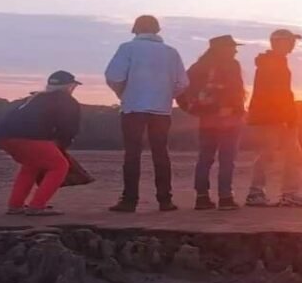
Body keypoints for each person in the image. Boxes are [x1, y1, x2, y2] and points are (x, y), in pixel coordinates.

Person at [104, 15, 189, 212]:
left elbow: (114, 75)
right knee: (161, 154)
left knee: (132, 154)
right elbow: (183, 83)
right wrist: (167, 94)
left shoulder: (127, 48)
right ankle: (165, 200)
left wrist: (122, 92)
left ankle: (129, 200)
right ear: (158, 30)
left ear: (135, 29)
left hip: (133, 108)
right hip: (161, 110)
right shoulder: (171, 53)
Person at [245, 29, 302, 207]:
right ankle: (285, 194)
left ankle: (258, 193)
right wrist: (286, 117)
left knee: (270, 154)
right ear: (278, 43)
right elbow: (277, 94)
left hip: (271, 117)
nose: (293, 45)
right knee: (286, 155)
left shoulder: (273, 62)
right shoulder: (272, 63)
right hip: (274, 117)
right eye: (290, 41)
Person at [0, 70, 82, 217]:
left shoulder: (34, 98)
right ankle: (37, 206)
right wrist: (62, 147)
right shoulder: (67, 101)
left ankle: (15, 205)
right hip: (31, 138)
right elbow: (69, 129)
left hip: (4, 137)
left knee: (31, 166)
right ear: (69, 86)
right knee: (60, 166)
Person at [182, 35, 246, 211]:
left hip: (207, 119)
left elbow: (181, 88)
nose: (235, 50)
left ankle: (201, 198)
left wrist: (191, 109)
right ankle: (225, 197)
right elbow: (236, 92)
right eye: (232, 47)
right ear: (223, 48)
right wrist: (238, 111)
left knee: (205, 158)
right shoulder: (232, 65)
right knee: (227, 158)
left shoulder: (197, 67)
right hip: (229, 118)